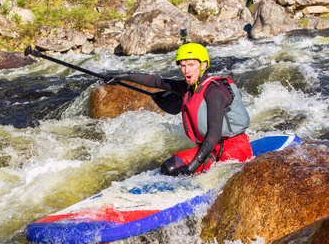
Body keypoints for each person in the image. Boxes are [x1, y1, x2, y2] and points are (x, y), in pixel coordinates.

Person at [106, 43, 253, 176]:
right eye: (182, 65)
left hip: (235, 146)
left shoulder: (214, 92)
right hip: (211, 149)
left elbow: (214, 134)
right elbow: (157, 81)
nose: (186, 70)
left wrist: (192, 167)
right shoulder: (187, 87)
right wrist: (122, 77)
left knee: (222, 178)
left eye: (191, 64)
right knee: (168, 168)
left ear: (203, 66)